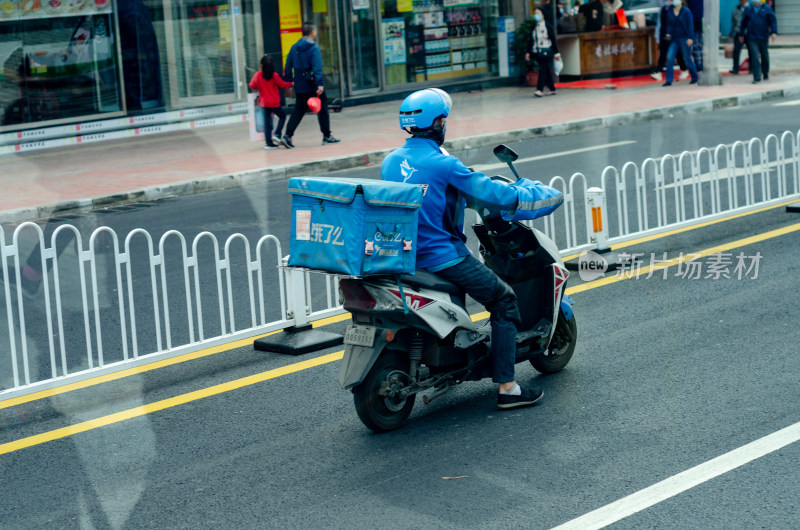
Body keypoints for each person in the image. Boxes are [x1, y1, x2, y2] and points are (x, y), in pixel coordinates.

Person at [381, 88, 563, 410]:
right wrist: (534, 194)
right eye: (444, 119)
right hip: (442, 258)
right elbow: (494, 194)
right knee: (504, 299)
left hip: (406, 258)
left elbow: (428, 199)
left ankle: (452, 362)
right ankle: (508, 387)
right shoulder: (444, 164)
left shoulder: (391, 162)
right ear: (438, 123)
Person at [282, 22, 340, 148]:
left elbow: (287, 66)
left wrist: (289, 80)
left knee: (299, 110)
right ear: (313, 32)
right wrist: (320, 84)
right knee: (322, 109)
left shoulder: (294, 47)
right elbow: (317, 67)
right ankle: (327, 136)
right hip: (313, 84)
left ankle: (287, 135)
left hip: (300, 85)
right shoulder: (314, 48)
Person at [249, 54, 293, 150]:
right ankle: (277, 134)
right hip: (274, 102)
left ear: (262, 65)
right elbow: (283, 85)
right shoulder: (274, 75)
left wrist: (259, 87)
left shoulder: (258, 75)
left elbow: (252, 85)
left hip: (264, 103)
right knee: (282, 116)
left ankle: (268, 143)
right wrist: (291, 84)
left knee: (267, 123)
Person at [739, 0, 778, 84]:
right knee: (754, 56)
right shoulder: (748, 8)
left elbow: (772, 20)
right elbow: (743, 22)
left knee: (765, 56)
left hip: (763, 37)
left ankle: (765, 72)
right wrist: (741, 34)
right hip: (751, 37)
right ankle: (756, 77)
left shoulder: (766, 8)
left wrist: (773, 32)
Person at [525, 9, 561, 97]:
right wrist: (528, 52)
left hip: (546, 51)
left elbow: (553, 39)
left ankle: (539, 89)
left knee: (543, 69)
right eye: (535, 13)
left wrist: (556, 53)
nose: (536, 15)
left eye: (538, 13)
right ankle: (552, 89)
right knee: (546, 70)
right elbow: (531, 40)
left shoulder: (547, 26)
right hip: (537, 51)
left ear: (543, 15)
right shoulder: (534, 26)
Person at [662, 0, 698, 86]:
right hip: (674, 39)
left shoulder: (686, 11)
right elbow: (669, 25)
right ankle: (669, 80)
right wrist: (668, 33)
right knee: (670, 58)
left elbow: (690, 25)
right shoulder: (670, 11)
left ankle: (695, 77)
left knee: (687, 57)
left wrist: (690, 37)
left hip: (684, 38)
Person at [651, 0, 689, 81]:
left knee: (677, 54)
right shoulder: (664, 8)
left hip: (674, 34)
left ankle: (684, 69)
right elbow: (660, 23)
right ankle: (659, 72)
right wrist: (658, 34)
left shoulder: (677, 8)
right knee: (663, 53)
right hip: (664, 34)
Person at [730, 0, 749, 74]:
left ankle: (752, 69)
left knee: (752, 51)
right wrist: (731, 32)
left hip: (749, 33)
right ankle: (735, 68)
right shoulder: (737, 8)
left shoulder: (751, 8)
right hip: (738, 33)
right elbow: (733, 21)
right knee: (736, 51)